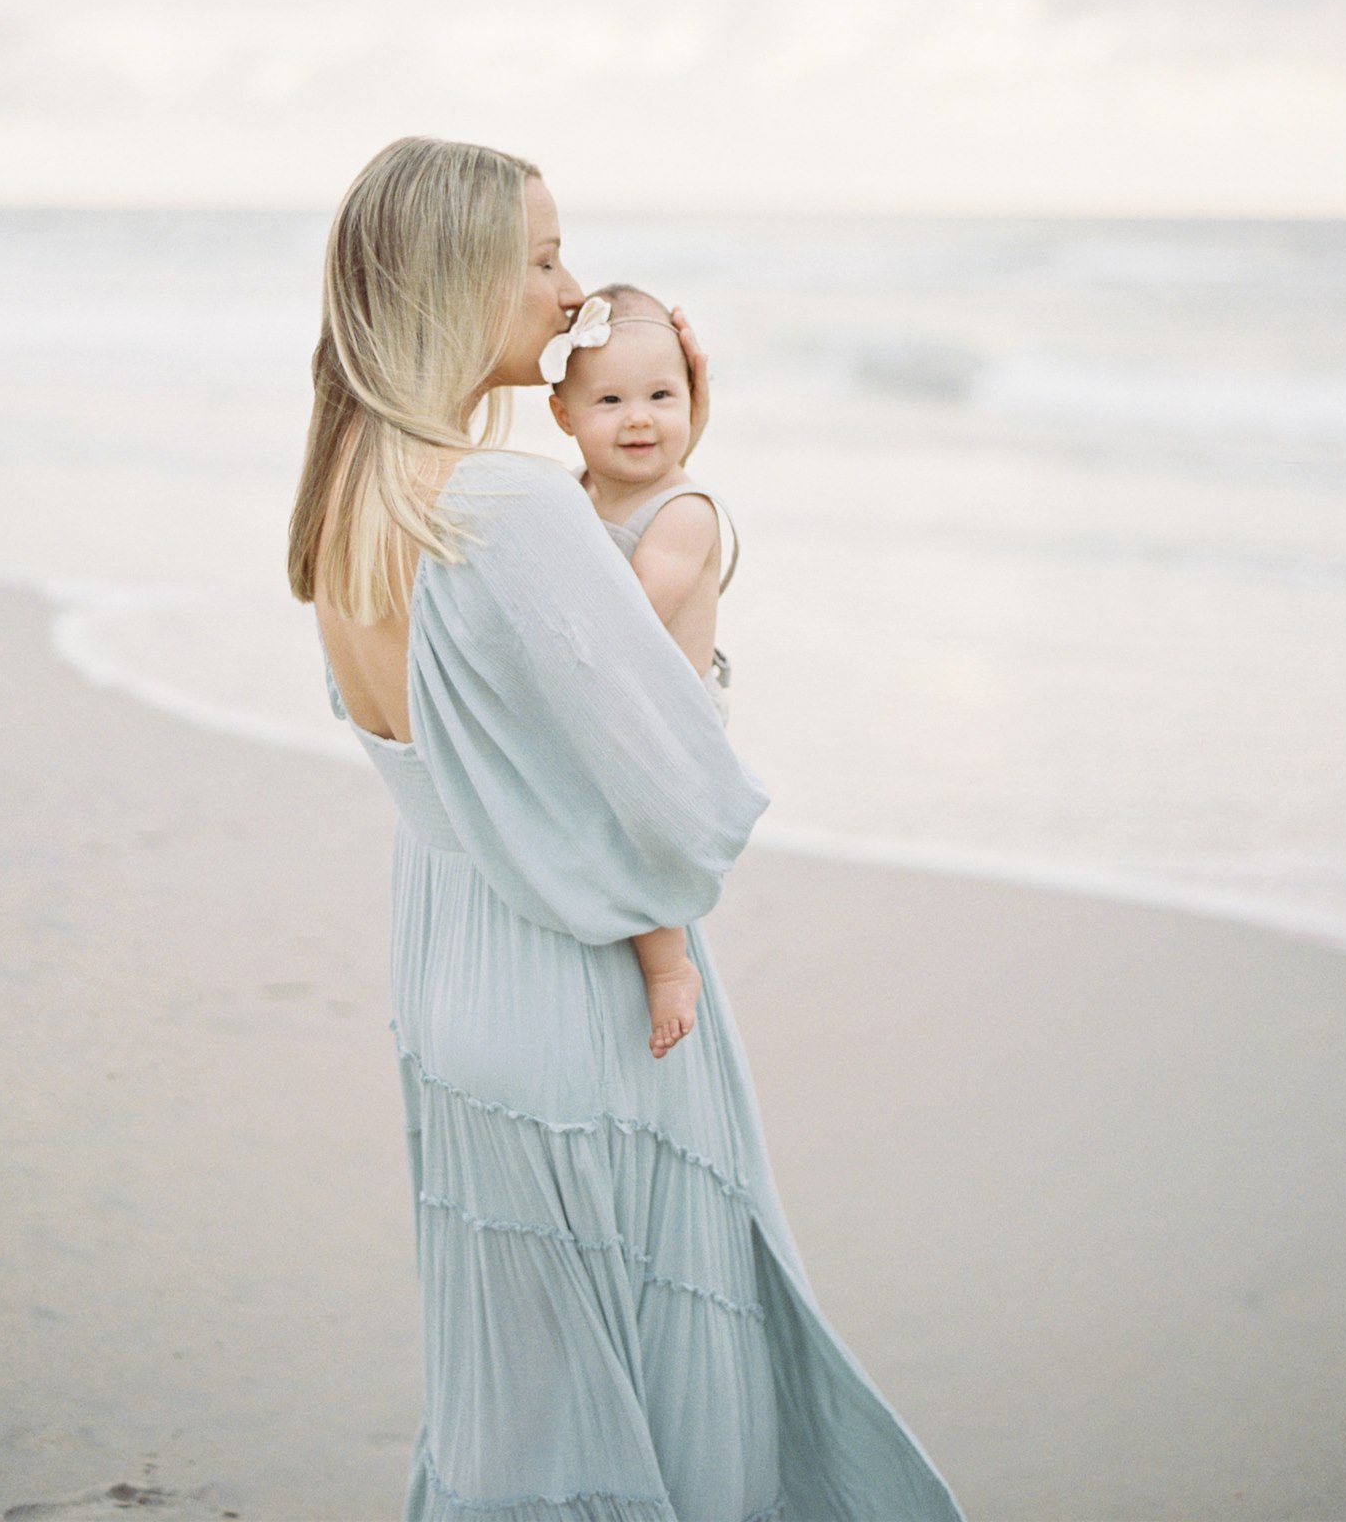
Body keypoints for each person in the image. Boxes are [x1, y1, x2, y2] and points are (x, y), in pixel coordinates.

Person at [289, 135, 968, 1522]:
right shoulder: (511, 505)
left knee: (523, 1412)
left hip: (450, 986)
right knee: (674, 1381)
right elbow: (671, 787)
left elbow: (493, 750)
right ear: (451, 281)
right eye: (539, 258)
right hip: (580, 990)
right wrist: (685, 542)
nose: (569, 289)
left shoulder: (353, 498)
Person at [543, 282, 742, 1064]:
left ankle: (668, 967)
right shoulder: (574, 497)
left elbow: (628, 616)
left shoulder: (681, 509)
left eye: (663, 395)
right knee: (585, 817)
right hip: (608, 697)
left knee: (636, 833)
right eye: (611, 400)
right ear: (564, 416)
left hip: (667, 715)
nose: (638, 418)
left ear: (693, 400)